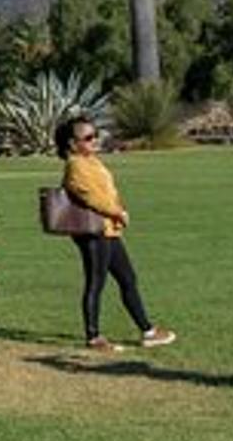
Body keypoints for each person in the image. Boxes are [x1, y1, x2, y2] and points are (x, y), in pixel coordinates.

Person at [55, 114, 178, 351]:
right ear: (73, 143)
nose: (94, 140)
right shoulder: (76, 165)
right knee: (95, 282)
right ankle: (93, 337)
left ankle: (148, 331)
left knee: (128, 279)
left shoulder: (91, 161)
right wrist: (117, 212)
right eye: (88, 137)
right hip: (93, 231)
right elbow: (91, 197)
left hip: (108, 230)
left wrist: (117, 211)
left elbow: (106, 191)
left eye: (95, 135)